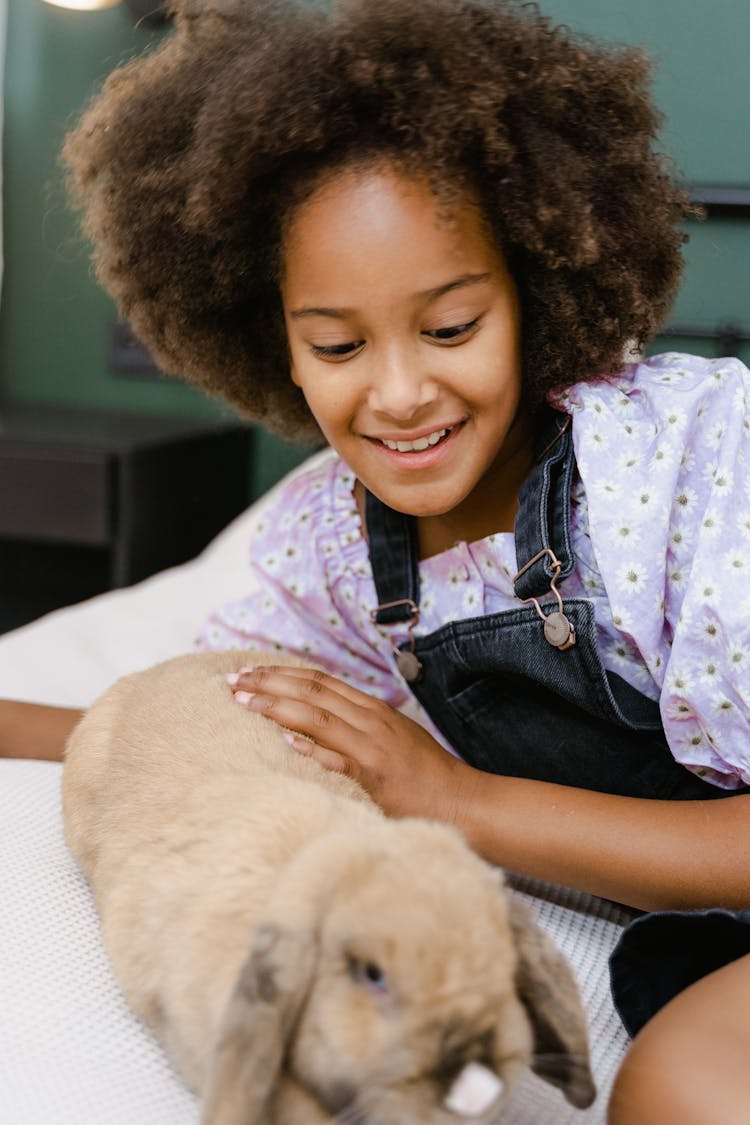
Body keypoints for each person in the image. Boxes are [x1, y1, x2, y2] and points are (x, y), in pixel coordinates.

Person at [1, 0, 748, 1117]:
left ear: (536, 291)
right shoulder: (324, 543)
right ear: (273, 340)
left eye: (450, 328)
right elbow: (227, 710)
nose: (399, 395)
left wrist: (458, 800)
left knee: (683, 1089)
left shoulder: (689, 458)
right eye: (338, 345)